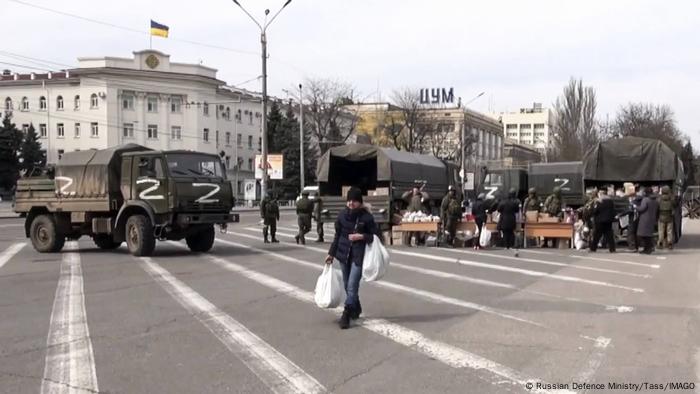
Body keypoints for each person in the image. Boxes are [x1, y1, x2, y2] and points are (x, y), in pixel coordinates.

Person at [325, 187, 378, 329]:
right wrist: (331, 253)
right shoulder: (342, 216)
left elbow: (376, 236)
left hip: (358, 256)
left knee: (352, 285)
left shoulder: (367, 217)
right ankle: (356, 307)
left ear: (360, 202)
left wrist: (361, 236)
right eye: (349, 200)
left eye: (354, 201)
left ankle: (346, 313)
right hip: (343, 255)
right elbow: (337, 236)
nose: (351, 203)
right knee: (348, 284)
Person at [497, 188, 520, 256]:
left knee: (505, 233)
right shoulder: (515, 203)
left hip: (504, 218)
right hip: (512, 219)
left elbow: (498, 209)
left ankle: (506, 245)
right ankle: (511, 245)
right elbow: (517, 210)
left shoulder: (502, 202)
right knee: (511, 232)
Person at [636, 187, 659, 254]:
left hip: (644, 219)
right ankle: (648, 248)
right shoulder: (655, 200)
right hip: (652, 219)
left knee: (642, 235)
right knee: (648, 235)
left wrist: (636, 207)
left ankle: (647, 249)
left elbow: (642, 208)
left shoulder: (645, 200)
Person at [657, 185, 676, 250]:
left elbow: (657, 207)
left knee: (661, 231)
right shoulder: (671, 199)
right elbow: (675, 205)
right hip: (669, 216)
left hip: (661, 216)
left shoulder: (659, 199)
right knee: (669, 231)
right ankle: (670, 243)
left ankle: (660, 243)